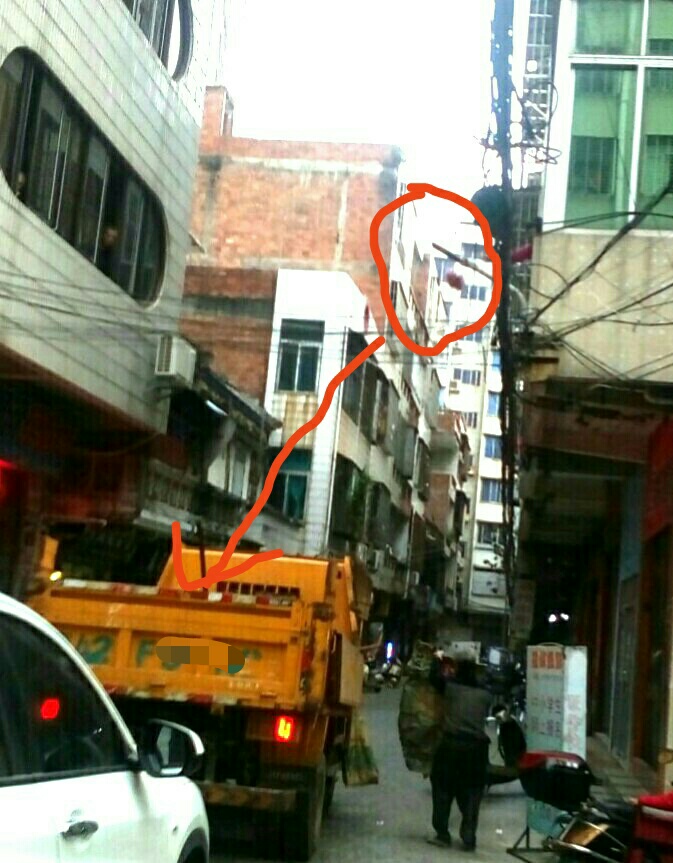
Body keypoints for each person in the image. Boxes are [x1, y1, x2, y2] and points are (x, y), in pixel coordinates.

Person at [428, 657, 492, 851]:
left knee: (442, 790)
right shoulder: (485, 695)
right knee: (472, 793)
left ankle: (442, 834)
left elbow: (433, 678)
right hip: (477, 750)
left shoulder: (450, 688)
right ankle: (469, 835)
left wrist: (437, 659)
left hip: (451, 745)